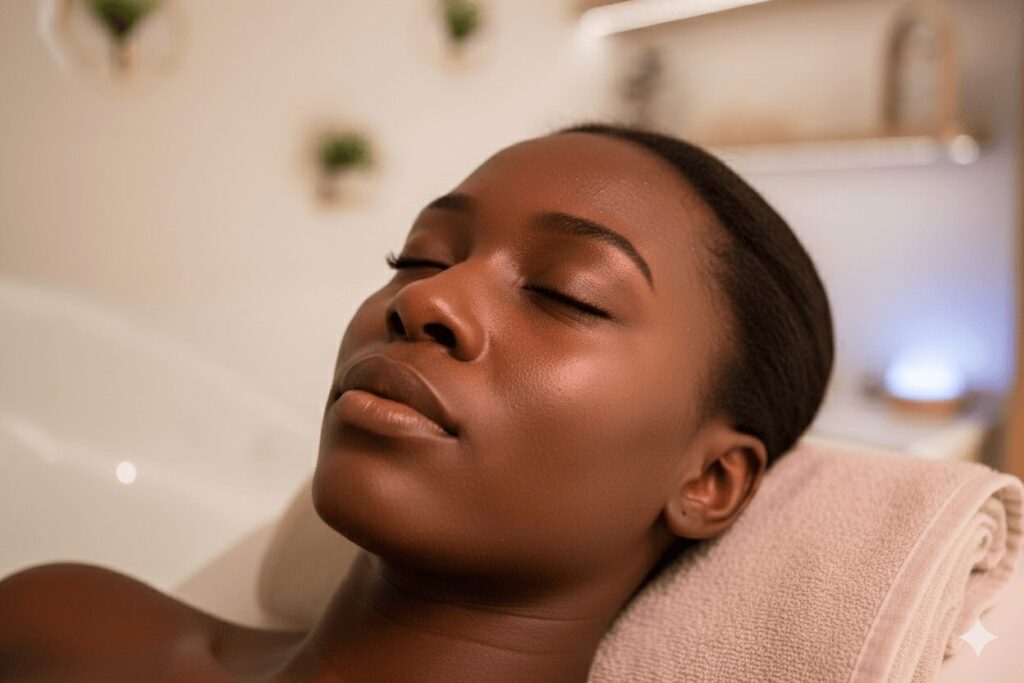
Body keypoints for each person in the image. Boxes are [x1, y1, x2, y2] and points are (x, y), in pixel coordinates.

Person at [0, 123, 834, 682]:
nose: (426, 301)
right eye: (421, 255)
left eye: (564, 292)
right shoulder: (58, 628)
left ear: (710, 480)